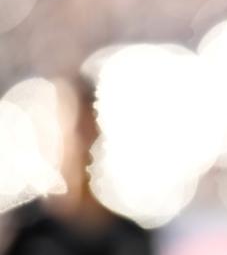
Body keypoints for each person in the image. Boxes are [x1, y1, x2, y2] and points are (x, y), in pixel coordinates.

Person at [0, 76, 153, 255]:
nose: (83, 146)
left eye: (88, 130)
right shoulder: (31, 233)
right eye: (76, 130)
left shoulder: (131, 238)